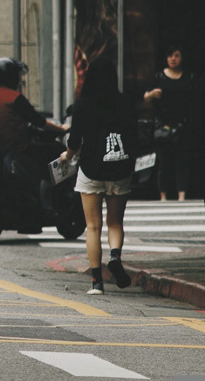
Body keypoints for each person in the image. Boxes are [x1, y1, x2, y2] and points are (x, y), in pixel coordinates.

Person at [62, 60, 138, 295]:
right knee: (115, 222)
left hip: (91, 170)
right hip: (119, 169)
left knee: (93, 226)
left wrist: (67, 155)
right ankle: (115, 256)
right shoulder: (125, 102)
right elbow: (135, 136)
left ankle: (97, 282)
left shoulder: (83, 105)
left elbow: (74, 140)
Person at [0, 56, 65, 220]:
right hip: (18, 150)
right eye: (17, 76)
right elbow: (39, 122)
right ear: (11, 77)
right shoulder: (15, 98)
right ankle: (48, 201)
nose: (20, 80)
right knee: (59, 153)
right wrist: (61, 129)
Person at [143, 46, 194, 201]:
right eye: (170, 56)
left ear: (182, 57)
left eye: (176, 55)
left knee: (182, 161)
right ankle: (163, 196)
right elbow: (145, 97)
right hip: (163, 125)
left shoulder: (188, 77)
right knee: (163, 162)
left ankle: (181, 195)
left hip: (182, 125)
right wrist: (151, 95)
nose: (173, 59)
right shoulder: (159, 77)